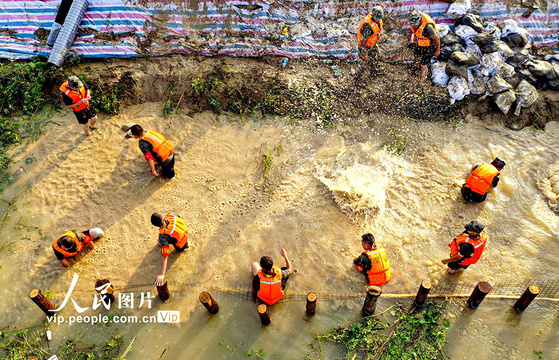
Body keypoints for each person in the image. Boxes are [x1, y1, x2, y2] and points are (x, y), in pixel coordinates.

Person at [151, 212, 189, 286]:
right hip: (184, 234)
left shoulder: (163, 236)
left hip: (179, 245)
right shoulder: (171, 215)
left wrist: (162, 274)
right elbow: (180, 216)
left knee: (165, 243)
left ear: (154, 225)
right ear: (162, 216)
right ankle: (186, 245)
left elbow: (164, 256)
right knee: (175, 239)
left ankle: (181, 247)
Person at [408, 10, 441, 84]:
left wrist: (437, 50)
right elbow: (411, 31)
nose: (414, 25)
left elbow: (436, 39)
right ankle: (416, 65)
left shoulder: (428, 28)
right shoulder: (413, 22)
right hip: (419, 43)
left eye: (415, 24)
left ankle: (422, 81)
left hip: (429, 46)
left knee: (423, 64)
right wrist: (409, 39)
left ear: (420, 21)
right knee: (416, 55)